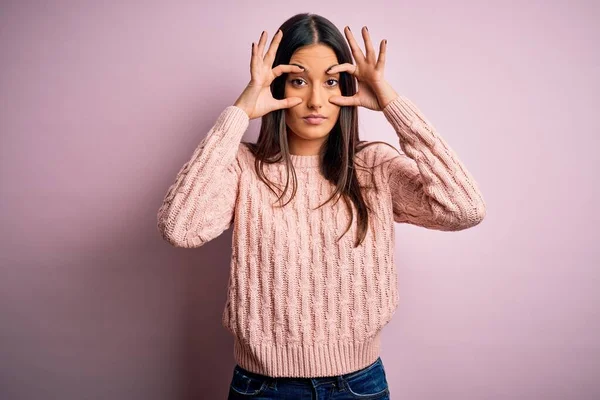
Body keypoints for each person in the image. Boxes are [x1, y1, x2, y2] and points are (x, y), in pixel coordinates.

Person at [156, 12, 486, 400]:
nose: (315, 99)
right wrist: (240, 111)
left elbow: (464, 208)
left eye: (330, 82)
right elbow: (179, 227)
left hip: (359, 385)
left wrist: (391, 102)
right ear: (278, 87)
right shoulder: (244, 169)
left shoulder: (373, 166)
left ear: (347, 87)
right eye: (299, 81)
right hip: (263, 388)